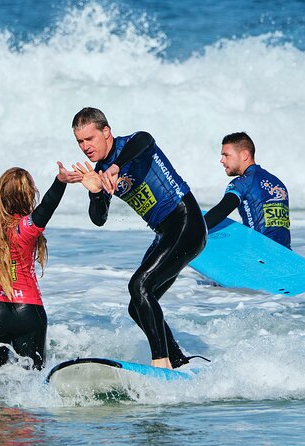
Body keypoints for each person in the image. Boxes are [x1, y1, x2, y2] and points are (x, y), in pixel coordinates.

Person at [71, 107, 206, 370]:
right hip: (165, 233)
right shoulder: (100, 171)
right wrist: (96, 192)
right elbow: (99, 219)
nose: (85, 146)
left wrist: (117, 166)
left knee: (139, 286)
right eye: (80, 142)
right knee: (137, 306)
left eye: (90, 139)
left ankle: (161, 362)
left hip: (186, 222)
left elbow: (146, 138)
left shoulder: (131, 145)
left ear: (106, 132)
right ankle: (177, 361)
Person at [0, 78, 81, 370]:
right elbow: (47, 207)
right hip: (27, 312)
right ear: (29, 195)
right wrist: (60, 181)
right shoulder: (28, 228)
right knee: (30, 389)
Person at [204, 132, 291, 249]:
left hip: (260, 254)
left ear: (244, 155)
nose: (222, 160)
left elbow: (221, 210)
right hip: (285, 253)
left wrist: (194, 230)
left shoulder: (242, 183)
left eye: (226, 155)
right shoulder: (278, 183)